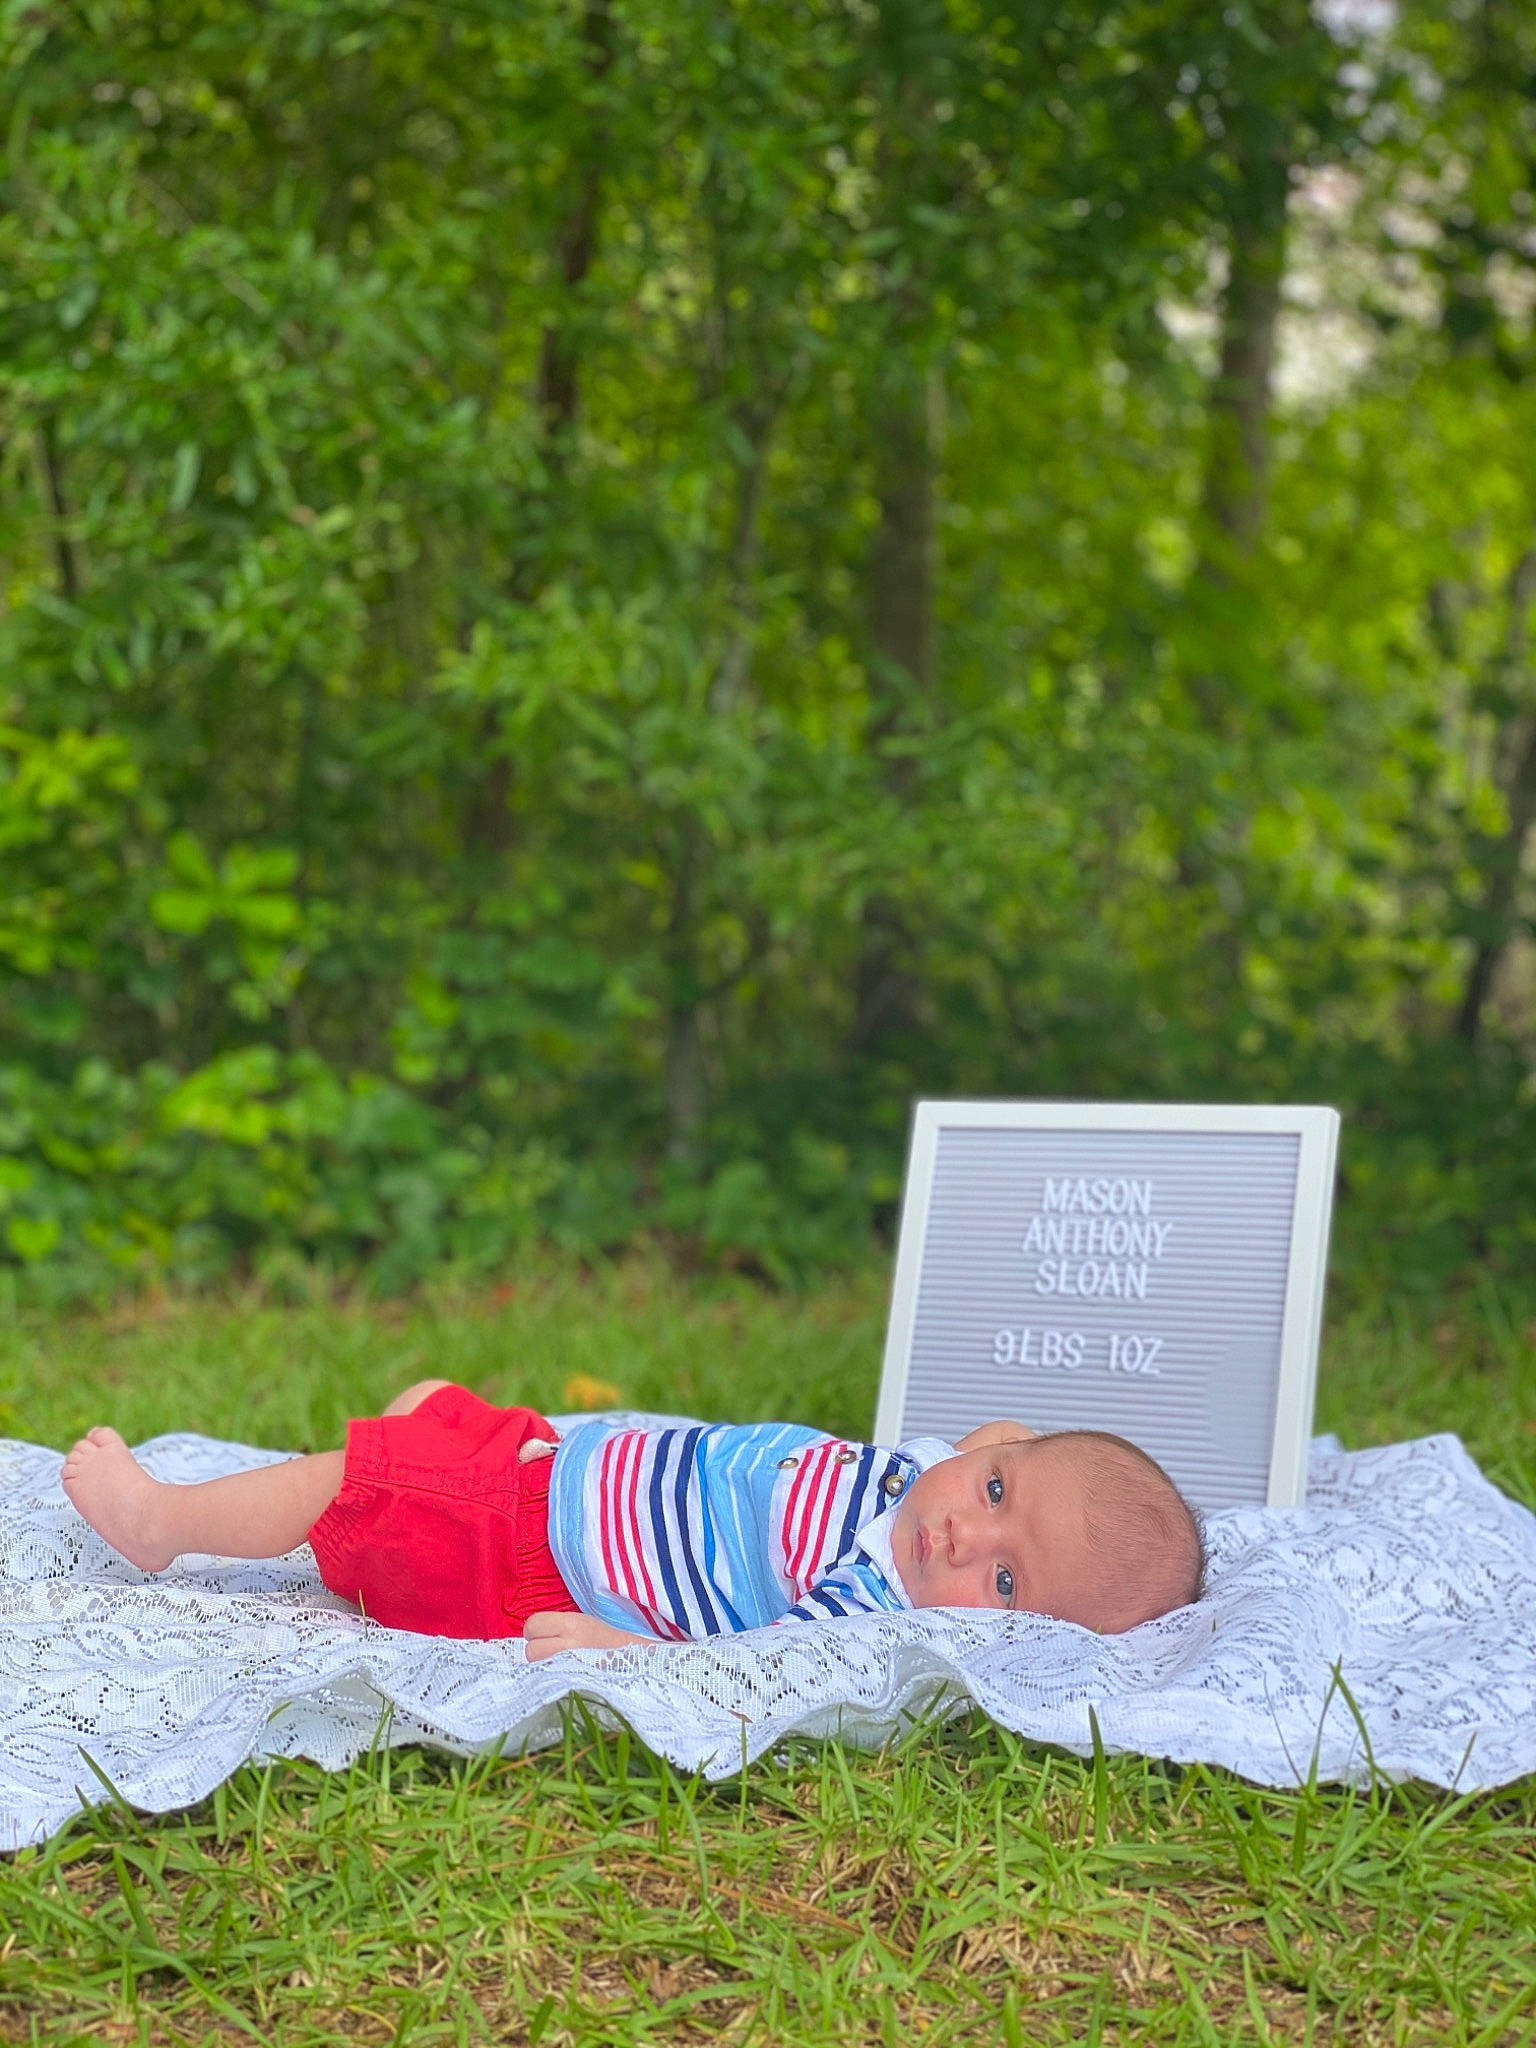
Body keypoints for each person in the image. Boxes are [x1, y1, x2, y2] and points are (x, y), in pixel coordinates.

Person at [60, 1380, 1204, 1656]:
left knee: (357, 1475)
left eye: (1003, 1580)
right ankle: (373, 1530)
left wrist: (623, 1647)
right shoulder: (934, 1473)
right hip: (547, 1464)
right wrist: (1013, 1466)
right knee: (427, 1402)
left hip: (528, 1548)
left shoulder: (871, 1604)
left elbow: (759, 1673)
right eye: (996, 1496)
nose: (964, 1534)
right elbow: (1002, 1437)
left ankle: (164, 1520)